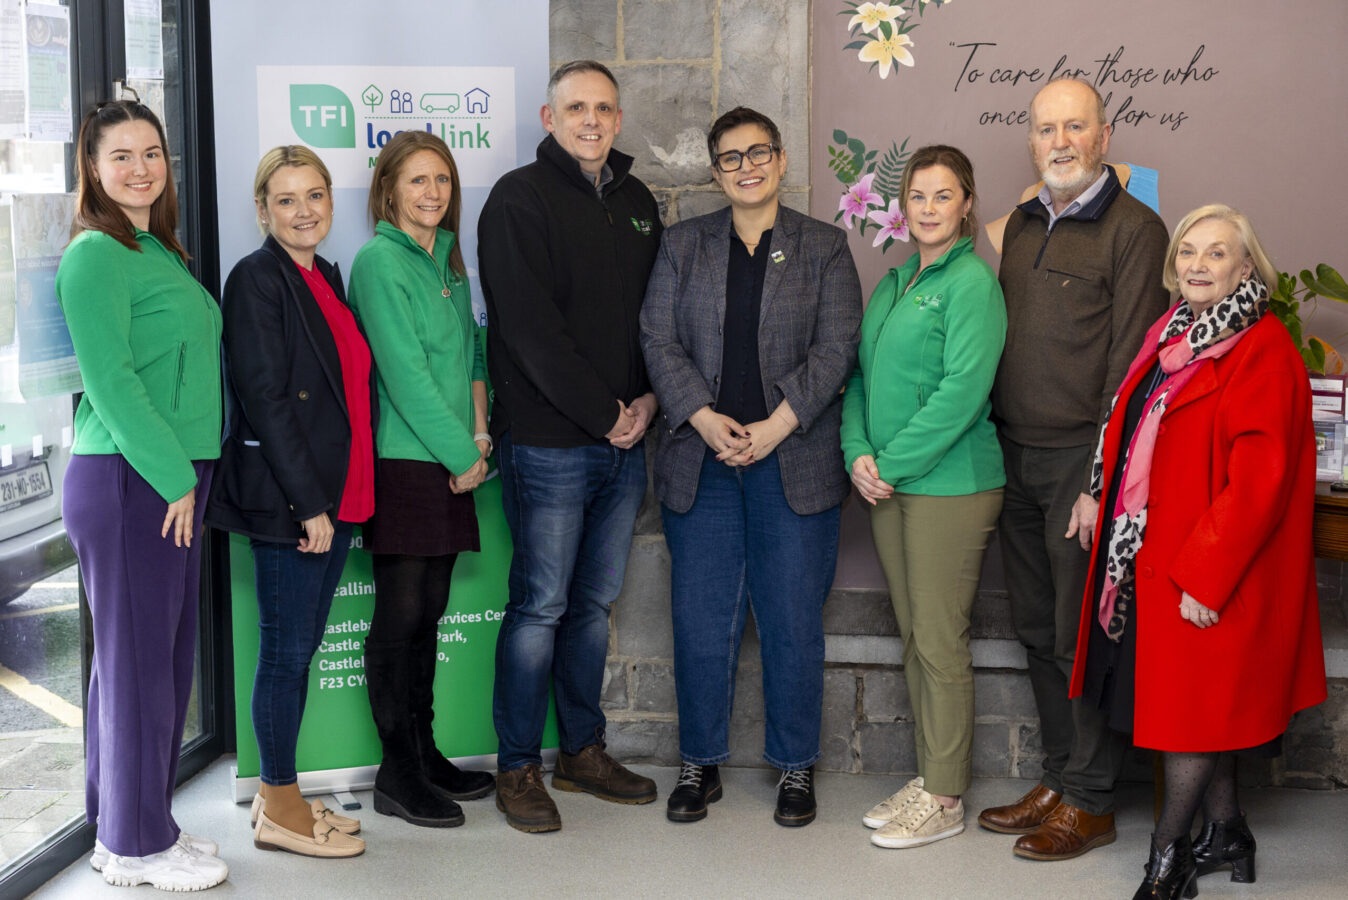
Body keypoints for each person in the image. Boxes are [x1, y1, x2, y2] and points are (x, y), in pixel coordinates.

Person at [1069, 205, 1326, 898]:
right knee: (1201, 706)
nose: (1198, 264)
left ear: (1247, 269)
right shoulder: (1172, 332)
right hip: (1161, 557)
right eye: (1189, 251)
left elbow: (1259, 484)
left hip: (1214, 569)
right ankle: (1228, 832)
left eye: (1218, 254)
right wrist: (1097, 490)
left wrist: (1206, 579)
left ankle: (1167, 857)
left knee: (1190, 713)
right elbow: (1129, 431)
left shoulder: (1262, 347)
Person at [641, 107, 862, 828]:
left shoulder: (824, 247)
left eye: (758, 153)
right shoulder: (682, 245)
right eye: (730, 158)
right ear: (715, 171)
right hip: (700, 463)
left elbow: (835, 350)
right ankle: (698, 764)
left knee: (793, 619)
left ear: (781, 160)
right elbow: (657, 337)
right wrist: (702, 418)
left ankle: (795, 767)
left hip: (791, 460)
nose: (746, 167)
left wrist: (773, 428)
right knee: (700, 620)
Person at [977, 78, 1172, 861]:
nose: (1059, 141)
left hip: (1076, 464)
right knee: (1033, 626)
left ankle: (1091, 799)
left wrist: (1098, 480)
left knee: (1078, 631)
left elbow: (1129, 369)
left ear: (1104, 135)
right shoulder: (1021, 226)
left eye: (1075, 127)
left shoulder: (1136, 228)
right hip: (1011, 452)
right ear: (1031, 140)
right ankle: (1059, 778)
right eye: (1045, 128)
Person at [477, 60, 661, 833]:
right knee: (541, 606)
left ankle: (581, 752)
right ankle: (517, 767)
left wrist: (649, 399)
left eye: (605, 108)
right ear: (550, 118)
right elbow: (528, 330)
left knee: (591, 608)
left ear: (619, 120)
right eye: (576, 107)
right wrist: (605, 413)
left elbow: (659, 317)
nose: (592, 119)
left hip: (626, 443)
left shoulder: (639, 202)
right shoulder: (517, 200)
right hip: (553, 444)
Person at [56, 98, 229, 891]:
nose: (140, 168)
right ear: (92, 169)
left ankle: (135, 822)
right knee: (138, 671)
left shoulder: (155, 246)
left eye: (152, 152)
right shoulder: (95, 254)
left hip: (168, 475)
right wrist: (175, 479)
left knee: (150, 663)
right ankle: (133, 847)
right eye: (120, 155)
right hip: (137, 478)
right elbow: (113, 383)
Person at [205, 146, 370, 857]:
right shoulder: (256, 279)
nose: (303, 211)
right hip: (293, 504)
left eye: (314, 196)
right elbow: (267, 401)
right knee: (287, 654)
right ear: (263, 209)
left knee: (295, 652)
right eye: (286, 199)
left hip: (335, 493)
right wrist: (309, 505)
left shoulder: (322, 275)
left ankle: (287, 795)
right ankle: (277, 805)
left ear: (331, 200)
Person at [840, 145, 1005, 848]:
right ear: (901, 207)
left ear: (966, 204)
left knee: (939, 642)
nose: (930, 209)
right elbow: (858, 379)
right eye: (918, 197)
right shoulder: (894, 279)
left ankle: (944, 798)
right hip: (889, 486)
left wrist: (891, 464)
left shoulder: (973, 284)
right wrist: (857, 454)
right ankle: (932, 773)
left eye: (944, 196)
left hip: (950, 485)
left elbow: (962, 394)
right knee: (915, 638)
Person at [347, 130, 495, 828]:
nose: (432, 192)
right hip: (407, 462)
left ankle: (425, 752)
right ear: (388, 191)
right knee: (400, 617)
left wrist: (479, 434)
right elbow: (403, 376)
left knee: (429, 614)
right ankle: (396, 771)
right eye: (417, 181)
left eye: (442, 180)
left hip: (453, 456)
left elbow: (473, 357)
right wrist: (460, 457)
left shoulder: (450, 262)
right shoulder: (379, 262)